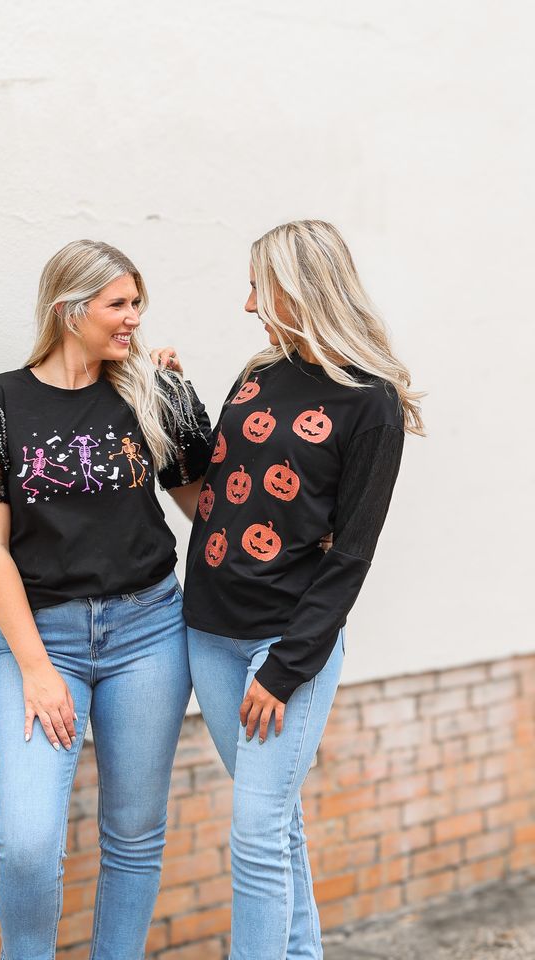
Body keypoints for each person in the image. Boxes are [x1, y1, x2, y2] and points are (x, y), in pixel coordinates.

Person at [0, 239, 210, 960]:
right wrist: (34, 667)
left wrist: (189, 407)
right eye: (119, 305)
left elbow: (206, 507)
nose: (134, 319)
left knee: (133, 834)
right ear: (71, 310)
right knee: (28, 842)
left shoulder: (151, 391)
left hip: (149, 633)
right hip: (44, 641)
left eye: (137, 304)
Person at [180, 220, 425, 959]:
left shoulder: (369, 402)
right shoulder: (258, 373)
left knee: (255, 833)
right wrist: (172, 398)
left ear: (299, 287)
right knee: (275, 822)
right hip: (209, 632)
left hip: (285, 644)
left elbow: (351, 555)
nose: (250, 304)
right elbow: (211, 493)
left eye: (260, 286)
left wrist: (287, 669)